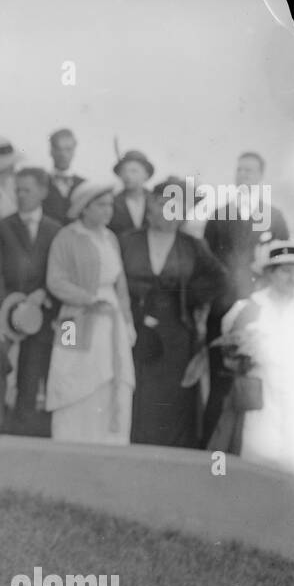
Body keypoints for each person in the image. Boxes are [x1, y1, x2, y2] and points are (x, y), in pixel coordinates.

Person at [210, 241, 294, 495]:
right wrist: (243, 354)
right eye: (285, 270)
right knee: (258, 467)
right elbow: (228, 358)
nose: (293, 277)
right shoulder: (249, 308)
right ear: (269, 273)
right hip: (261, 404)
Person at [120, 178, 227, 448]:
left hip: (175, 332)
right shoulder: (127, 241)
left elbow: (219, 279)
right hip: (132, 327)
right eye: (160, 204)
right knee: (137, 390)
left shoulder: (192, 245)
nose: (166, 212)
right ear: (151, 207)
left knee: (171, 396)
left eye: (175, 207)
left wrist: (189, 297)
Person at [202, 150, 290, 440]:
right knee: (221, 376)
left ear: (261, 177)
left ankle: (249, 442)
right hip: (223, 306)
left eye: (249, 171)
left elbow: (281, 263)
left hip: (260, 309)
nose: (243, 176)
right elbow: (208, 259)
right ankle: (216, 443)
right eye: (239, 170)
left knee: (258, 373)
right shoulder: (219, 214)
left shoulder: (273, 217)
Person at [45, 182, 137, 444]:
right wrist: (88, 299)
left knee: (111, 376)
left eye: (110, 205)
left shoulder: (111, 239)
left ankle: (109, 442)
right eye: (101, 205)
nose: (108, 210)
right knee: (72, 374)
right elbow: (56, 280)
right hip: (74, 318)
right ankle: (70, 441)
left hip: (112, 319)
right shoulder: (66, 237)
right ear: (84, 209)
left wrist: (128, 321)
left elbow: (121, 286)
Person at [0, 167, 63, 439]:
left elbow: (59, 272)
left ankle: (24, 426)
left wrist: (45, 294)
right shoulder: (2, 228)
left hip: (39, 311)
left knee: (32, 367)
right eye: (17, 190)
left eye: (27, 190)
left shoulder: (56, 231)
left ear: (43, 192)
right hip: (5, 308)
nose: (20, 195)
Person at [41, 128, 85, 224]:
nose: (63, 154)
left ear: (74, 151)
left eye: (68, 149)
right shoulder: (40, 182)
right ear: (51, 151)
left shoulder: (84, 185)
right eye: (58, 149)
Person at [108, 150, 154, 236]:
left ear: (146, 175)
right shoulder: (112, 202)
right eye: (124, 171)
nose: (128, 176)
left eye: (134, 171)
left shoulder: (155, 201)